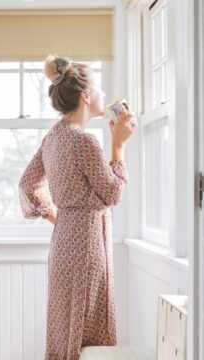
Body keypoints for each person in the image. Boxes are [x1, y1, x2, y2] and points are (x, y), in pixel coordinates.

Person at [18, 54, 137, 360]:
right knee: (89, 326)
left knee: (65, 325)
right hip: (87, 245)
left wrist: (59, 217)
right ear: (85, 95)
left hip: (63, 243)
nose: (104, 95)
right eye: (99, 89)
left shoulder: (54, 136)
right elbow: (112, 193)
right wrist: (119, 146)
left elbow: (27, 184)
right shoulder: (84, 141)